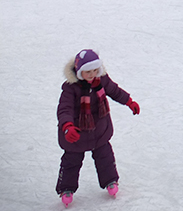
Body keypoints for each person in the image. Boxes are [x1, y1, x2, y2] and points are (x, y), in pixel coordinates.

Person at [55, 49, 140, 207]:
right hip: (77, 134)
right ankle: (66, 189)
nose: (92, 74)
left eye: (95, 70)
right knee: (71, 162)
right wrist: (67, 127)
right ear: (80, 71)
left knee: (105, 157)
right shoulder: (71, 88)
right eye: (88, 71)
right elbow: (64, 110)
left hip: (99, 130)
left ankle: (110, 181)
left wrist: (129, 101)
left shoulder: (101, 80)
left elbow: (114, 91)